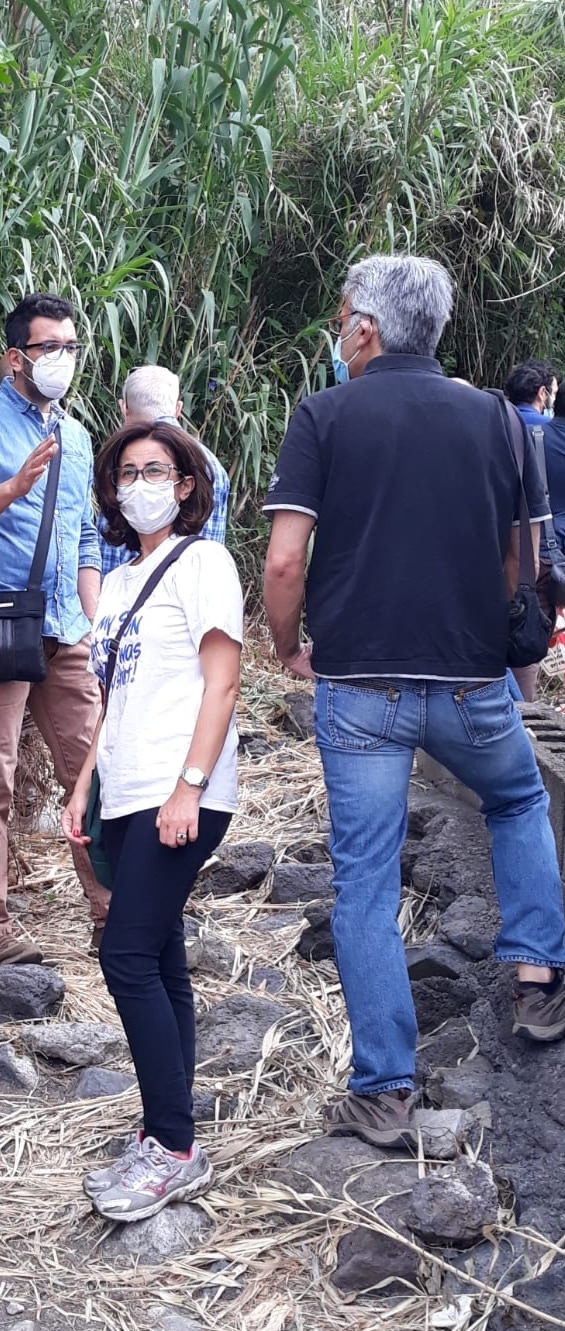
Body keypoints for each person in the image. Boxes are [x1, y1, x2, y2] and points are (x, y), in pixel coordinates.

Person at [263, 254, 565, 1150]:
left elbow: (284, 561)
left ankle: (383, 1090)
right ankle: (537, 981)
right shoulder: (498, 420)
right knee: (516, 798)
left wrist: (286, 646)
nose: (338, 331)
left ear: (365, 328)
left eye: (341, 317)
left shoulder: (323, 415)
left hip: (357, 686)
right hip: (470, 682)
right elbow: (523, 557)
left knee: (364, 875)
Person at [63, 420, 242, 1220]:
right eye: (125, 472)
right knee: (160, 957)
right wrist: (82, 784)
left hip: (180, 790)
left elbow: (223, 682)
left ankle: (172, 1145)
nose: (138, 484)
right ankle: (163, 1128)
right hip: (126, 790)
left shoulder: (203, 562)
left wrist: (188, 787)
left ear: (185, 484)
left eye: (154, 470)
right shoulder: (119, 582)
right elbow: (111, 698)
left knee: (125, 954)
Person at [0, 293, 108, 969]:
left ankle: (111, 914)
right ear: (15, 357)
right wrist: (12, 488)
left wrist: (94, 622)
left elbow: (85, 533)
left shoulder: (78, 436)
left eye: (71, 347)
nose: (63, 358)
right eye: (49, 347)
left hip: (67, 628)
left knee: (92, 774)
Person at [98, 366, 230, 579]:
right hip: (191, 586)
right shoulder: (210, 465)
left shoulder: (115, 459)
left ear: (124, 408)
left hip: (114, 591)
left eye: (154, 471)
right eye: (130, 473)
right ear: (178, 409)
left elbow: (107, 546)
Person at [505, 359, 562, 700]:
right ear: (542, 393)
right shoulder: (550, 431)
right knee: (528, 632)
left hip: (501, 549)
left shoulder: (496, 427)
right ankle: (526, 707)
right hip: (545, 552)